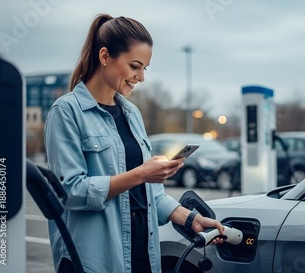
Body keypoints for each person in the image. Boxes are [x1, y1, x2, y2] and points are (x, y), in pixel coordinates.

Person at [43, 13, 224, 273]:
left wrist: (191, 219)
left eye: (144, 69)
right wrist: (140, 174)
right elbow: (70, 191)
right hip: (95, 260)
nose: (141, 77)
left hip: (142, 252)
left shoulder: (132, 114)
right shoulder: (66, 111)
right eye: (135, 66)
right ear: (105, 57)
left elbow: (150, 195)